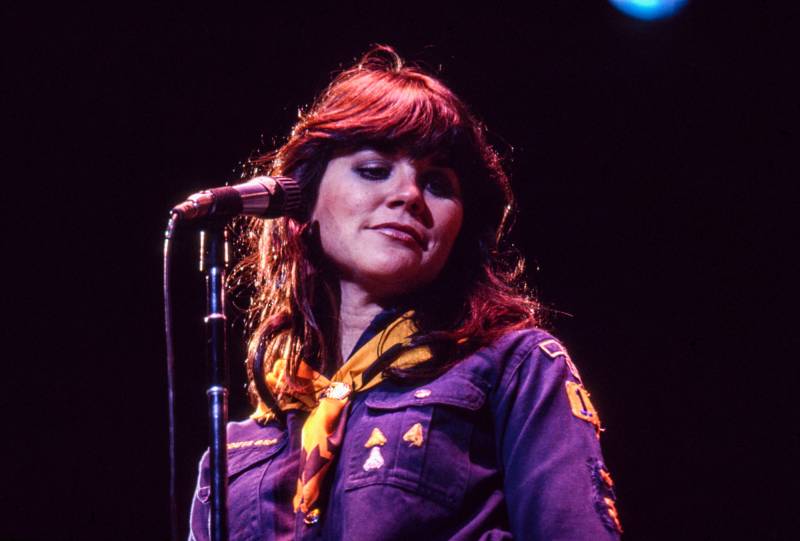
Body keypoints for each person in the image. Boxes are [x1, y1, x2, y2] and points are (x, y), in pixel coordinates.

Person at [189, 45, 622, 540]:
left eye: (438, 184)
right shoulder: (232, 454)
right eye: (374, 170)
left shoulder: (515, 366)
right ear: (301, 200)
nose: (409, 195)